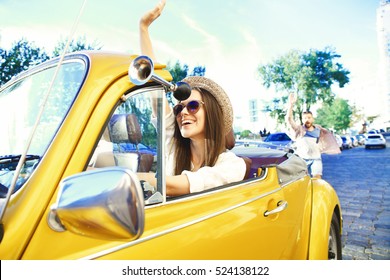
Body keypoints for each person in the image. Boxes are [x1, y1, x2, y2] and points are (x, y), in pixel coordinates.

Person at [137, 0, 246, 196]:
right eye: (179, 108)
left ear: (211, 112)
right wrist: (143, 28)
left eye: (193, 106)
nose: (183, 112)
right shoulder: (173, 145)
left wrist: (125, 178)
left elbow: (172, 185)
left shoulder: (232, 165)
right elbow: (155, 90)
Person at [285, 92, 340, 179]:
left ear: (312, 119)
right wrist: (291, 105)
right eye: (305, 118)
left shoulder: (319, 130)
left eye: (309, 118)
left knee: (317, 179)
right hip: (302, 160)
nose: (307, 120)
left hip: (316, 159)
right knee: (302, 181)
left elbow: (328, 138)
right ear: (302, 119)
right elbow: (288, 119)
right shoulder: (299, 130)